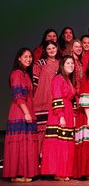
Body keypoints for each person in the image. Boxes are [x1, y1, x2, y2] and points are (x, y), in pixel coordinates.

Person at [3, 48, 39, 182]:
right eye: (25, 56)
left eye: (30, 56)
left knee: (26, 142)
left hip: (27, 108)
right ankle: (17, 174)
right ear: (19, 58)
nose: (29, 59)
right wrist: (27, 113)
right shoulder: (17, 73)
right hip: (20, 110)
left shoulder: (25, 73)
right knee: (20, 141)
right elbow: (18, 96)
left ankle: (23, 173)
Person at [41, 55, 76, 181]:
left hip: (68, 111)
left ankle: (64, 171)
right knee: (59, 142)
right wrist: (61, 116)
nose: (71, 65)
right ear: (62, 65)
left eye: (72, 63)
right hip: (59, 113)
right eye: (68, 63)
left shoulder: (68, 79)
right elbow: (57, 97)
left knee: (66, 143)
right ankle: (58, 172)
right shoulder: (58, 79)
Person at [33, 40, 60, 154]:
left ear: (57, 48)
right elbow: (34, 85)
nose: (51, 50)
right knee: (42, 130)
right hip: (43, 100)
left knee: (55, 130)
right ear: (45, 50)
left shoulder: (61, 63)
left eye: (53, 48)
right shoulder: (40, 64)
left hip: (57, 99)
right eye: (49, 48)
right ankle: (40, 157)